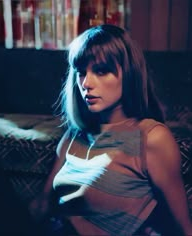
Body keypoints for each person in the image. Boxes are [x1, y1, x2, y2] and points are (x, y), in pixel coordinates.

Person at [31, 24, 192, 235]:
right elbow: (42, 205)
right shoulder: (74, 135)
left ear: (129, 74)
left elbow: (182, 226)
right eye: (81, 73)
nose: (86, 83)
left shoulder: (151, 137)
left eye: (101, 71)